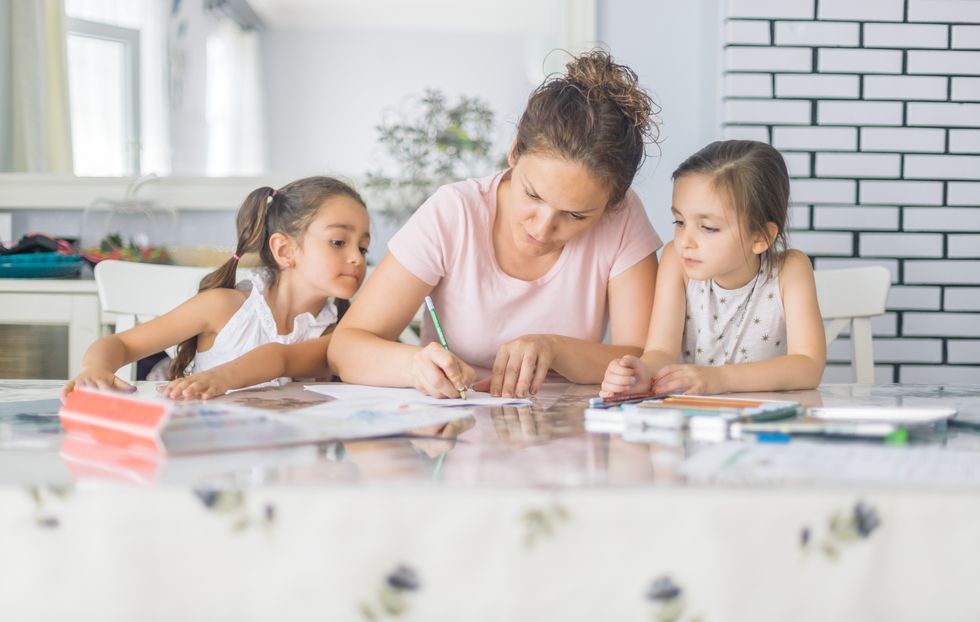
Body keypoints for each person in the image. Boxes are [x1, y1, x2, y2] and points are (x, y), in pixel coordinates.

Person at [329, 49, 662, 399]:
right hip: (457, 432)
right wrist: (414, 366)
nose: (543, 227)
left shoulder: (623, 217)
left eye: (575, 216)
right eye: (533, 195)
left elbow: (640, 357)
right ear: (515, 151)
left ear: (611, 203)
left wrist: (554, 349)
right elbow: (345, 349)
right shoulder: (454, 212)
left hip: (568, 435)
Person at [62, 176, 370, 400]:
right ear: (285, 250)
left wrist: (222, 378)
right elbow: (121, 345)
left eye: (364, 248)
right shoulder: (224, 307)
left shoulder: (338, 331)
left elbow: (281, 359)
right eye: (339, 242)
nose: (357, 258)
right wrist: (95, 368)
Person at [601, 140, 826, 397]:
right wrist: (641, 372)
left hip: (761, 422)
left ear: (761, 237)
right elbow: (661, 351)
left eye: (708, 228)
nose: (685, 241)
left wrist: (721, 378)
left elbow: (808, 366)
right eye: (680, 221)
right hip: (698, 421)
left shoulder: (790, 270)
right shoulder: (676, 260)